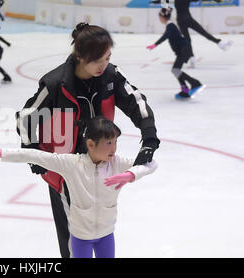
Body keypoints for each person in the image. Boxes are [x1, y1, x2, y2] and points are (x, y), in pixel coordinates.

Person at [15, 23, 160, 258]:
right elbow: (26, 118)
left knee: (101, 229)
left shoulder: (110, 76)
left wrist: (149, 139)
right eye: (98, 60)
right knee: (73, 240)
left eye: (108, 57)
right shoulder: (55, 84)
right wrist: (33, 153)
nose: (104, 65)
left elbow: (137, 103)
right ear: (80, 56)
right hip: (65, 174)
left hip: (102, 169)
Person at [0, 116, 158, 258]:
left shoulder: (117, 163)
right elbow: (35, 156)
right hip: (80, 238)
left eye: (116, 142)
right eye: (109, 143)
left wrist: (131, 174)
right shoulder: (71, 164)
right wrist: (1, 153)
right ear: (91, 144)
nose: (114, 148)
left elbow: (151, 163)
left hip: (106, 235)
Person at [150, 0, 233, 68]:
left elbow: (165, 2)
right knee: (203, 33)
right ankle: (220, 43)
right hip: (188, 19)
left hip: (181, 21)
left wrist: (155, 2)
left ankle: (192, 58)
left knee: (188, 40)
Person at [146, 7, 205, 99]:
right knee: (176, 70)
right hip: (183, 50)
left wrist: (155, 44)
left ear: (162, 17)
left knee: (176, 70)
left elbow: (165, 36)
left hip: (184, 50)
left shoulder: (171, 26)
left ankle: (196, 83)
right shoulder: (171, 25)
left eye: (159, 17)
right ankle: (185, 91)